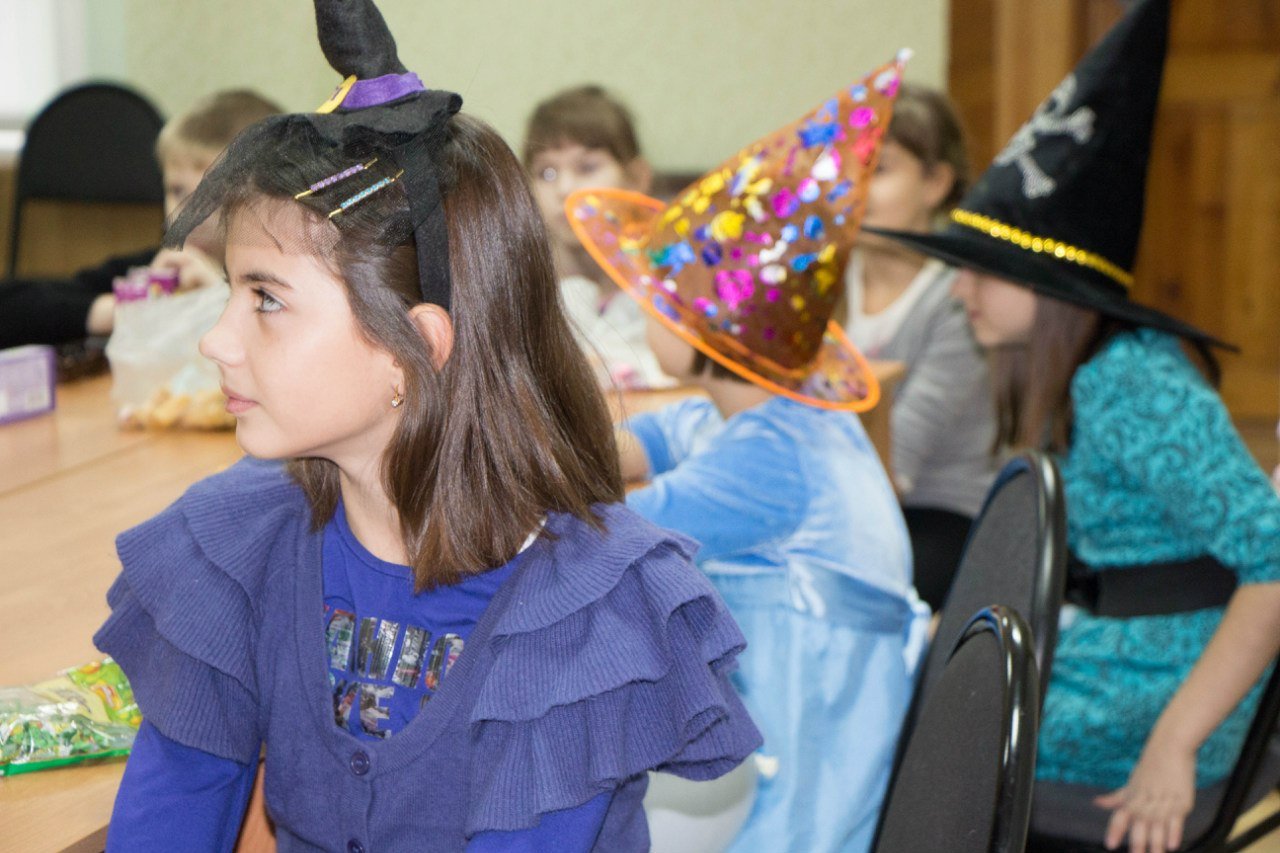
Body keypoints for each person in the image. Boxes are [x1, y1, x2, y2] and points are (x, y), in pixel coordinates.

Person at [92, 2, 760, 850]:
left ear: (412, 348)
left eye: (266, 298)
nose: (216, 340)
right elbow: (166, 821)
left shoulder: (586, 614)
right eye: (232, 290)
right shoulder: (232, 550)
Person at [866, 2, 1280, 851]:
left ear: (1054, 289)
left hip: (1166, 687)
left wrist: (1175, 744)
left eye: (986, 274)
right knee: (910, 685)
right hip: (1115, 650)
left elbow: (1274, 567)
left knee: (923, 726)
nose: (960, 291)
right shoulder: (1071, 373)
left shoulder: (1132, 384)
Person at [569, 52, 928, 853]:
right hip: (789, 713)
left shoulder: (773, 452)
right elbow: (629, 447)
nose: (642, 306)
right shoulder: (741, 413)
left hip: (806, 759)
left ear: (709, 334)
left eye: (658, 297)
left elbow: (612, 532)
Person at [842, 83, 996, 610]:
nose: (856, 188)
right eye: (848, 170)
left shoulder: (958, 300)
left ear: (935, 183)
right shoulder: (825, 284)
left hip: (941, 514)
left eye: (879, 169)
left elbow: (898, 458)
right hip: (845, 499)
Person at [0, 89, 282, 350]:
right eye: (177, 190)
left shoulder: (285, 281)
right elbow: (12, 306)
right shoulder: (162, 270)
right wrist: (125, 310)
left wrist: (219, 303)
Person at [523, 85, 673, 390]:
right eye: (546, 173)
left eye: (587, 167)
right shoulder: (525, 292)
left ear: (637, 177)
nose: (564, 189)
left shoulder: (668, 284)